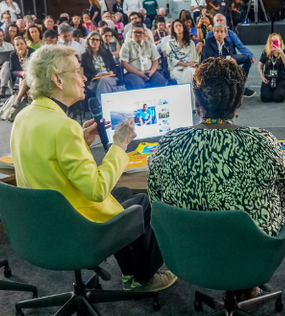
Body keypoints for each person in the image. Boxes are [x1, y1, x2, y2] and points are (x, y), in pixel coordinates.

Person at [12, 45, 175, 292]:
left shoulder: (25, 116)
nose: (84, 76)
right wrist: (120, 145)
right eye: (77, 71)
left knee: (125, 196)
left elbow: (49, 163)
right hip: (75, 226)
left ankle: (132, 273)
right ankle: (144, 278)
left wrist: (81, 141)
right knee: (143, 203)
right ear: (57, 79)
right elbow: (97, 190)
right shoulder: (62, 127)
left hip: (44, 220)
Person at [147, 57, 285, 243]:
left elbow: (156, 204)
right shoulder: (263, 142)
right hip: (254, 254)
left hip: (186, 251)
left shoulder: (168, 143)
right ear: (239, 102)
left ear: (197, 102)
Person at [203, 18, 256, 98]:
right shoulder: (209, 41)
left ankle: (240, 85)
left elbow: (236, 49)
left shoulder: (228, 43)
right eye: (217, 32)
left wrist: (249, 56)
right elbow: (211, 57)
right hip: (211, 65)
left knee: (245, 60)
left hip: (224, 64)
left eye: (221, 32)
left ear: (225, 34)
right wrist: (228, 58)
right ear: (213, 33)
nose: (219, 34)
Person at [120, 24, 167, 89]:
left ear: (144, 34)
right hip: (133, 73)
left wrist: (152, 72)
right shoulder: (126, 45)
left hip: (149, 72)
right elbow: (124, 63)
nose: (138, 34)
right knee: (138, 83)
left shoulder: (149, 44)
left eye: (140, 32)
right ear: (131, 33)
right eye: (136, 32)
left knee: (160, 80)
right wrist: (139, 73)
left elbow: (156, 60)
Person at [82, 31, 124, 99]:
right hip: (95, 80)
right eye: (93, 39)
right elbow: (85, 73)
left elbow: (115, 68)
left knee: (104, 80)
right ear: (88, 41)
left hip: (110, 78)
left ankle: (100, 104)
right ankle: (110, 97)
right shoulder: (84, 56)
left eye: (97, 40)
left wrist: (111, 72)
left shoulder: (107, 53)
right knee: (103, 81)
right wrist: (95, 75)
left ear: (100, 42)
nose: (95, 42)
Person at [258, 33, 285, 103]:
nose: (274, 43)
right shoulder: (266, 52)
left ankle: (282, 89)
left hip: (280, 78)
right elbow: (260, 66)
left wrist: (281, 53)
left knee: (278, 98)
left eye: (276, 41)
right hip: (268, 78)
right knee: (265, 98)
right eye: (272, 41)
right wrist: (262, 77)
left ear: (280, 42)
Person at [166, 19, 199, 85]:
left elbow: (195, 59)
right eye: (176, 26)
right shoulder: (170, 43)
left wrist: (191, 65)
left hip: (190, 68)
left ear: (183, 27)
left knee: (190, 72)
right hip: (176, 69)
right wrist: (186, 64)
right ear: (174, 30)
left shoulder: (190, 42)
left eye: (180, 25)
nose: (178, 27)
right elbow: (172, 61)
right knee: (190, 74)